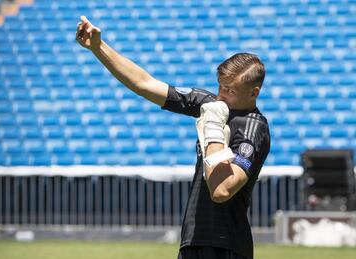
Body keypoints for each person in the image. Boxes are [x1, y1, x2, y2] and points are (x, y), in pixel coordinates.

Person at [76, 16, 270, 259]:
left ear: (254, 92)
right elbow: (144, 83)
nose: (221, 96)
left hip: (226, 246)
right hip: (192, 241)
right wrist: (98, 47)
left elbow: (221, 190)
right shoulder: (210, 104)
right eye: (220, 86)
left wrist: (213, 129)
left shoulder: (255, 127)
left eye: (230, 91)